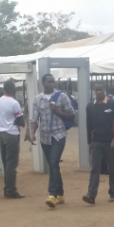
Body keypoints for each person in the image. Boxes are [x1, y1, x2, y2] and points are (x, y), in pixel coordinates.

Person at [28, 73, 75, 208]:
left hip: (59, 135)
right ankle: (60, 194)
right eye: (49, 82)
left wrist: (58, 111)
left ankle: (52, 194)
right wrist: (32, 134)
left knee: (54, 161)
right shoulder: (38, 99)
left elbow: (72, 115)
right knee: (53, 165)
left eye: (53, 82)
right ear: (43, 83)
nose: (51, 84)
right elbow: (34, 119)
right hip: (44, 137)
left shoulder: (62, 97)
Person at [84, 81, 114, 204]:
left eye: (101, 90)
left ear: (104, 90)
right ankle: (91, 194)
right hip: (96, 142)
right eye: (96, 90)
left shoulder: (113, 104)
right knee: (95, 168)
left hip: (111, 142)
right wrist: (90, 142)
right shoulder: (90, 106)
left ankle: (113, 192)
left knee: (111, 169)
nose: (99, 92)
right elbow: (89, 126)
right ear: (94, 91)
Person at [0, 79, 26, 199]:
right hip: (11, 134)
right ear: (13, 89)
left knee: (6, 162)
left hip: (1, 133)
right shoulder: (14, 103)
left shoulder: (0, 100)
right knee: (12, 163)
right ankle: (11, 190)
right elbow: (21, 121)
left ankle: (7, 188)